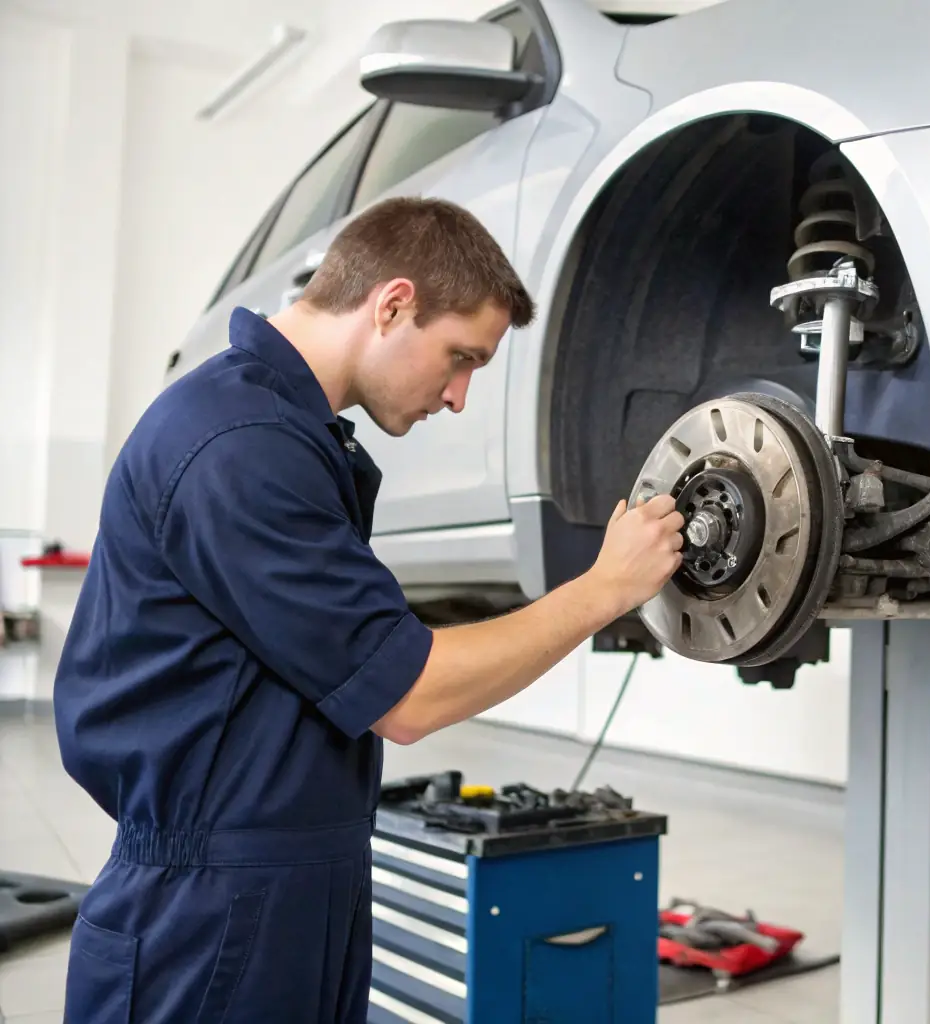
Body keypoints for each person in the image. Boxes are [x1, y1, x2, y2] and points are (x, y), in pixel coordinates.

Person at [52, 196, 685, 1023]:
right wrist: (603, 589)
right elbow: (411, 695)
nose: (457, 396)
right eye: (460, 358)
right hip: (210, 913)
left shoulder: (282, 432)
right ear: (391, 305)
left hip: (290, 884)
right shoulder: (237, 444)